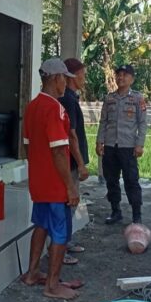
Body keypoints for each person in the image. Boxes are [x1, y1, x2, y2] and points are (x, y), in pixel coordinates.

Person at [20, 58, 82, 300]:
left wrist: (39, 171)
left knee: (41, 226)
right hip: (56, 186)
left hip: (39, 183)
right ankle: (53, 285)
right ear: (56, 78)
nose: (66, 83)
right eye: (64, 78)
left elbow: (27, 147)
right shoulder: (55, 108)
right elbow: (58, 151)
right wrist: (69, 187)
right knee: (60, 233)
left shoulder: (32, 106)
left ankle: (33, 273)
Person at [96, 65, 148, 225]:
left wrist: (140, 144)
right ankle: (115, 211)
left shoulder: (138, 99)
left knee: (131, 180)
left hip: (128, 146)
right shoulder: (109, 98)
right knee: (111, 180)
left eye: (125, 75)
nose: (121, 78)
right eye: (118, 75)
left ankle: (136, 215)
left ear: (132, 79)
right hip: (111, 146)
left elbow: (142, 123)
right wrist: (99, 141)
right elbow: (103, 121)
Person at [58, 58, 89, 265]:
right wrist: (80, 163)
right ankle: (61, 249)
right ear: (71, 76)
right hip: (69, 162)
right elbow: (71, 135)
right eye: (82, 75)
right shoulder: (68, 100)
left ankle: (66, 243)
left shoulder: (71, 98)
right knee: (67, 202)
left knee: (69, 204)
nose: (84, 79)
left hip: (70, 161)